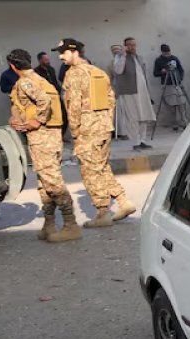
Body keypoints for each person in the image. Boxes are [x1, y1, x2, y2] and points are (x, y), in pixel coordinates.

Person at [55, 38, 136, 227]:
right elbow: (111, 99)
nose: (60, 56)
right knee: (101, 167)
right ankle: (123, 201)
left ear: (75, 52)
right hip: (103, 128)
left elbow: (73, 107)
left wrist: (75, 133)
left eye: (64, 52)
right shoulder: (97, 72)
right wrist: (106, 122)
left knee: (90, 171)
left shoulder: (73, 74)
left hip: (87, 130)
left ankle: (102, 213)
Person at [5, 49, 79, 243]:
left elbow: (43, 102)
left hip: (42, 137)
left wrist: (36, 121)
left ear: (13, 66)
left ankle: (71, 224)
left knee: (53, 182)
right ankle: (49, 224)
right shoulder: (41, 79)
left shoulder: (26, 82)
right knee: (44, 183)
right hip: (50, 136)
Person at [112, 37, 157, 150]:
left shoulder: (139, 58)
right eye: (129, 45)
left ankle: (142, 140)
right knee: (133, 117)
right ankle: (135, 142)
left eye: (134, 45)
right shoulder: (119, 57)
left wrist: (148, 91)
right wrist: (123, 55)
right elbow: (118, 71)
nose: (132, 47)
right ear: (125, 46)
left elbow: (143, 74)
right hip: (129, 91)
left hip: (142, 92)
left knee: (144, 116)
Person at [153, 44, 190, 130]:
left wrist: (180, 79)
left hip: (176, 84)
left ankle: (184, 122)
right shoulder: (159, 60)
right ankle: (175, 124)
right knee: (171, 105)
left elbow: (181, 70)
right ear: (162, 52)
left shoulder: (174, 58)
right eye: (166, 53)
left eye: (169, 52)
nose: (168, 54)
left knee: (181, 103)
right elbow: (155, 73)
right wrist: (162, 72)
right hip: (167, 85)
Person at [35, 51, 68, 136]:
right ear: (40, 60)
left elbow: (55, 82)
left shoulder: (51, 69)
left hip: (56, 96)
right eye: (45, 59)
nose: (48, 61)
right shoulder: (37, 72)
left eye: (48, 59)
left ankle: (61, 135)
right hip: (46, 98)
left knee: (64, 116)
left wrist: (58, 90)